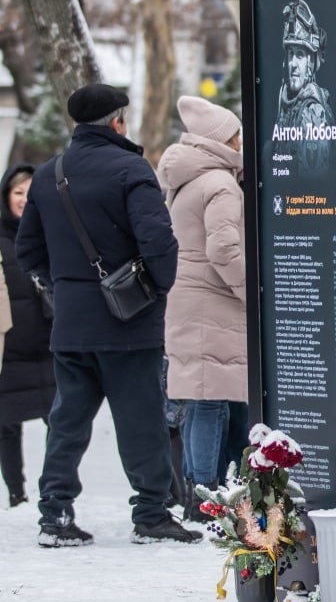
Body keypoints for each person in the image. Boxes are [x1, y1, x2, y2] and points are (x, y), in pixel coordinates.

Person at [17, 83, 199, 546]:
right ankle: (152, 514)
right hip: (129, 321)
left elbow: (29, 250)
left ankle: (54, 514)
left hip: (72, 323)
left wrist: (64, 288)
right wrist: (156, 289)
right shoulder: (130, 168)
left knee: (67, 421)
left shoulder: (48, 174)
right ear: (117, 120)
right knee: (141, 421)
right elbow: (158, 241)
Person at [156, 96, 250, 523]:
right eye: (237, 133)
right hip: (216, 304)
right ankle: (208, 497)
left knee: (203, 399)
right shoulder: (221, 185)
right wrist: (256, 293)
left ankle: (201, 493)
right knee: (213, 401)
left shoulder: (187, 180)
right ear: (223, 140)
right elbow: (225, 249)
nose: (242, 139)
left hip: (188, 300)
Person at [0, 165, 53, 508]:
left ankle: (54, 489)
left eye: (29, 193)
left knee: (60, 419)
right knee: (7, 422)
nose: (23, 200)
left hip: (49, 342)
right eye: (18, 192)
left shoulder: (51, 231)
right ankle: (16, 492)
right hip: (10, 347)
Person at [275, 0, 335, 176]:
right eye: (290, 53)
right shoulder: (286, 102)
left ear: (311, 62)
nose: (293, 63)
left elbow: (312, 187)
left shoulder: (313, 112)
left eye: (300, 55)